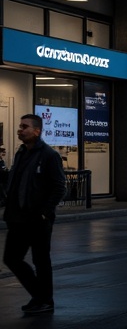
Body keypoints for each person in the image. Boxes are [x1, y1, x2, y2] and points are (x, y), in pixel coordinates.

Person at [2, 113, 66, 315]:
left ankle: (44, 300)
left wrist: (45, 212)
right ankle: (41, 297)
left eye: (25, 126)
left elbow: (59, 187)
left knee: (41, 261)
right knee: (12, 258)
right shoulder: (21, 153)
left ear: (37, 131)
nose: (20, 129)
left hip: (38, 219)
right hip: (17, 218)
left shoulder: (49, 155)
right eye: (20, 126)